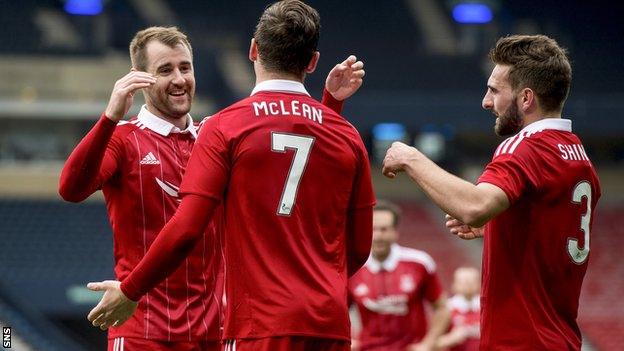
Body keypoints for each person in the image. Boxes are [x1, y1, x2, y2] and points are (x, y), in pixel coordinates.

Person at [84, 1, 375, 351]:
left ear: (253, 50)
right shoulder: (345, 133)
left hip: (256, 322)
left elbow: (187, 226)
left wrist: (131, 290)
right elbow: (358, 248)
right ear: (312, 62)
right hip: (329, 323)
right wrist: (329, 107)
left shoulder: (226, 127)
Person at [382, 34, 601, 350]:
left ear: (526, 99)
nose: (486, 101)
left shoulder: (524, 147)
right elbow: (550, 228)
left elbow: (475, 205)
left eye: (494, 90)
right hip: (560, 339)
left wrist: (410, 157)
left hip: (519, 341)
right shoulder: (578, 156)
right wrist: (499, 226)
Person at [349, 200, 450, 351]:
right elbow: (336, 312)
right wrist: (350, 340)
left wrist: (428, 344)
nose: (378, 236)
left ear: (395, 232)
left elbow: (442, 309)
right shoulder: (352, 268)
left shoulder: (419, 263)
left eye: (384, 229)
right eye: (373, 229)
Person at [435, 267, 480, 351]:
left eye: (471, 281)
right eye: (463, 281)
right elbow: (433, 343)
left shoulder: (487, 310)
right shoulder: (447, 308)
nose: (468, 284)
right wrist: (450, 339)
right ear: (454, 285)